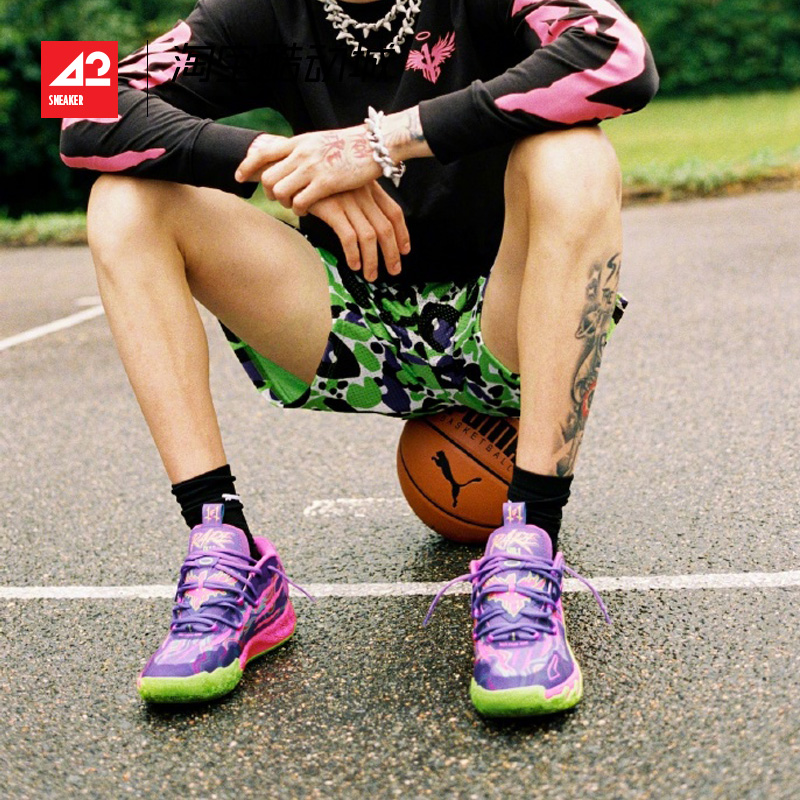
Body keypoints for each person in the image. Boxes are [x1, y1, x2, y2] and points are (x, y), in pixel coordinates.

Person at [60, 0, 658, 716]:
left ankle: (532, 545)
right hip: (349, 320)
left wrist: (376, 144)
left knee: (575, 153)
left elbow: (622, 58)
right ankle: (223, 543)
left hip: (508, 315)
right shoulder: (258, 9)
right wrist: (273, 157)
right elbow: (74, 101)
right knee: (122, 199)